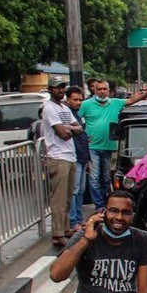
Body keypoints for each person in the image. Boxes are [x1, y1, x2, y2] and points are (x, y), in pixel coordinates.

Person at [78, 80, 147, 212]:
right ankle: (99, 205)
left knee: (106, 177)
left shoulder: (115, 103)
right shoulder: (86, 105)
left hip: (109, 146)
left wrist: (145, 94)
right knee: (94, 177)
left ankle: (105, 201)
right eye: (99, 89)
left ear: (108, 90)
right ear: (94, 90)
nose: (102, 92)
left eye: (104, 89)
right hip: (93, 147)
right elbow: (75, 118)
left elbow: (130, 101)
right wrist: (83, 136)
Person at [41, 77, 83, 247]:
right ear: (50, 89)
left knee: (67, 197)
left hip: (70, 156)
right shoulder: (49, 108)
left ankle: (66, 228)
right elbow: (62, 133)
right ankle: (57, 234)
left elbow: (79, 128)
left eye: (62, 87)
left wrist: (71, 129)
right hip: (58, 157)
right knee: (58, 198)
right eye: (57, 87)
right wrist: (72, 129)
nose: (60, 90)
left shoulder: (64, 107)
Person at [65, 86, 90, 233]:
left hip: (82, 155)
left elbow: (82, 135)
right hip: (73, 156)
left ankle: (79, 218)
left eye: (80, 99)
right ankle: (73, 220)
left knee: (80, 190)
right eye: (75, 99)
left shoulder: (77, 115)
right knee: (74, 190)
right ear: (68, 100)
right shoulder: (67, 114)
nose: (79, 102)